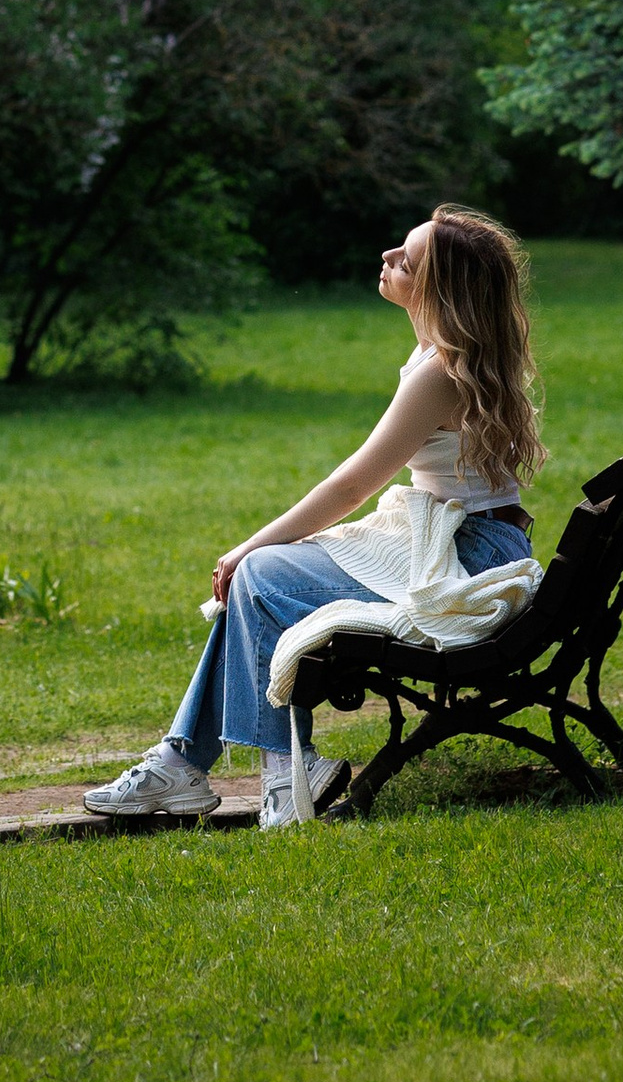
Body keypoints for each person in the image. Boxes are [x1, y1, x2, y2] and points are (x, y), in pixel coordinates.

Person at [84, 205, 547, 829]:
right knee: (259, 583)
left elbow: (353, 484)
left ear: (436, 290)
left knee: (260, 575)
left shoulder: (439, 372)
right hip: (465, 537)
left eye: (405, 260)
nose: (387, 258)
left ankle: (274, 770)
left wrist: (247, 546)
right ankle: (190, 762)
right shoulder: (447, 354)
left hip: (467, 555)